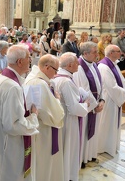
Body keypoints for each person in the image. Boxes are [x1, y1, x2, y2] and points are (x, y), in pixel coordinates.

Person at [0, 45, 39, 181]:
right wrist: (33, 117)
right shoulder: (13, 87)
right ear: (20, 61)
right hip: (10, 143)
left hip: (1, 137)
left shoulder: (4, 77)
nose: (31, 60)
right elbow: (13, 125)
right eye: (28, 57)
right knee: (10, 173)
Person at [24, 55, 65, 181]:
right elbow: (54, 115)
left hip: (39, 127)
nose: (57, 73)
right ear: (47, 67)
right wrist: (57, 100)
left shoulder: (34, 78)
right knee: (44, 164)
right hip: (43, 131)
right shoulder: (39, 83)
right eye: (56, 70)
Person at [53, 52, 90, 181]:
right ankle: (68, 175)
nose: (79, 64)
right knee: (69, 149)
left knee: (65, 149)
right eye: (76, 62)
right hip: (69, 120)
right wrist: (86, 104)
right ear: (69, 65)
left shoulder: (58, 77)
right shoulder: (66, 81)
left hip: (63, 118)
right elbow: (74, 108)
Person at [73, 42, 103, 167]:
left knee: (93, 131)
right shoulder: (80, 67)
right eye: (94, 52)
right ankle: (82, 159)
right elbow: (84, 89)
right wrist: (95, 105)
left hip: (95, 104)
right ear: (85, 53)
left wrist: (102, 100)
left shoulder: (93, 64)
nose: (97, 54)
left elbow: (100, 84)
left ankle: (90, 155)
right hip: (87, 106)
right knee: (85, 132)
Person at [97, 45, 125, 156]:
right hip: (109, 99)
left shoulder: (114, 64)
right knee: (106, 123)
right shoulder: (104, 66)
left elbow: (122, 80)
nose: (120, 53)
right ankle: (102, 146)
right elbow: (111, 87)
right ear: (111, 53)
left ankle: (110, 145)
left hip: (114, 98)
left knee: (112, 123)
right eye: (118, 51)